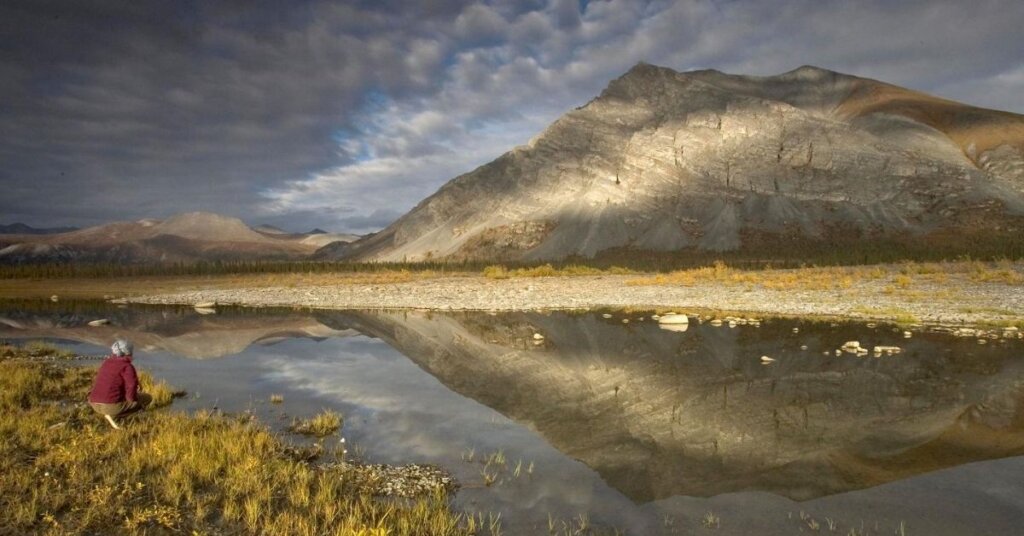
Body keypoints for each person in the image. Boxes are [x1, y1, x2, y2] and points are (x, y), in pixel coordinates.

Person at [88, 339, 152, 429]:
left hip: (94, 403)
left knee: (122, 398)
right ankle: (116, 416)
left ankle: (113, 413)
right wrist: (131, 401)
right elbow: (131, 386)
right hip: (109, 406)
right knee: (147, 398)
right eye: (131, 351)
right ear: (128, 352)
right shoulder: (127, 366)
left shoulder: (107, 362)